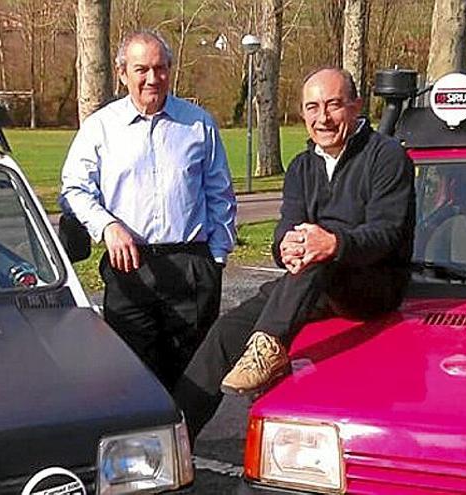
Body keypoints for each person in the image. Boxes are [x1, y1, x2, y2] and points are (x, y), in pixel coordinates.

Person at [173, 67, 415, 438]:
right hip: (311, 281)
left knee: (317, 252)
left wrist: (333, 243)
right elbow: (288, 224)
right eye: (313, 107)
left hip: (372, 284)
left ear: (355, 106)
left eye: (334, 105)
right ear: (302, 113)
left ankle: (268, 346)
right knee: (225, 332)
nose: (323, 118)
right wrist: (284, 245)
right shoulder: (302, 166)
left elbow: (387, 233)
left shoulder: (387, 157)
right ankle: (172, 436)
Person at [59, 30, 236, 390]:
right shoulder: (100, 128)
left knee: (195, 381)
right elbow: (74, 189)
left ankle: (186, 445)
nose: (152, 78)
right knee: (133, 380)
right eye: (142, 69)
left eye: (160, 68)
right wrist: (106, 226)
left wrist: (215, 259)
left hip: (191, 267)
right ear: (122, 72)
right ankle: (145, 448)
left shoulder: (199, 124)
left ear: (170, 70)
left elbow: (221, 195)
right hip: (130, 269)